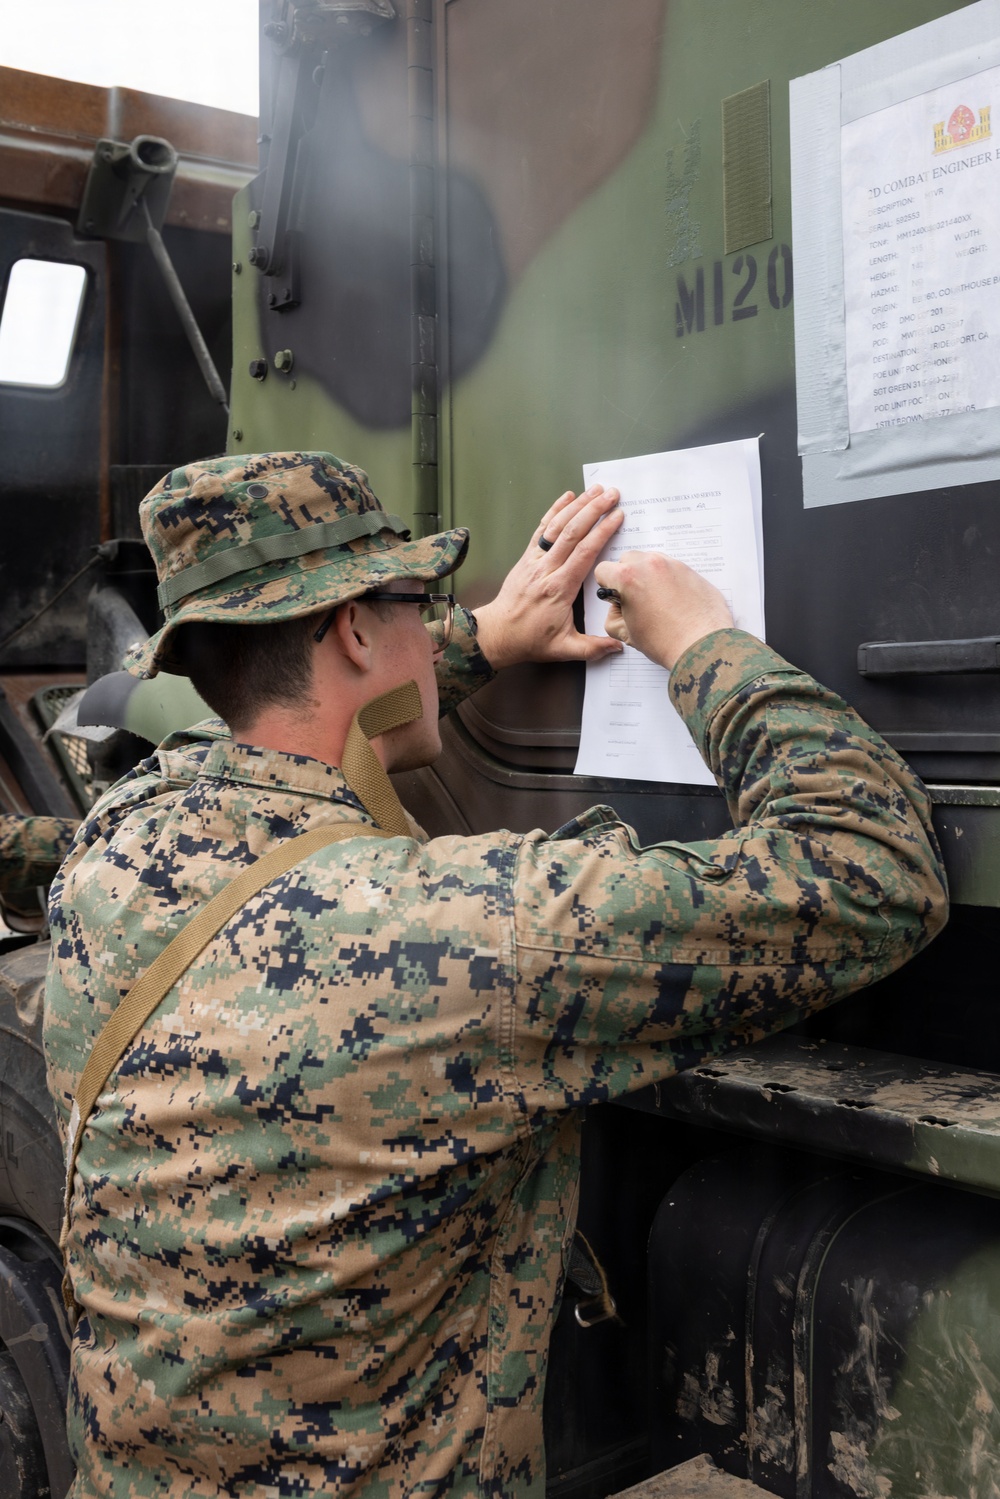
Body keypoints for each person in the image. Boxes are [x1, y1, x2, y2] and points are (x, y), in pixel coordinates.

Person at [44, 450, 947, 1499]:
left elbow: (264, 736)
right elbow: (873, 867)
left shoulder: (117, 844)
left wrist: (471, 641)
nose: (437, 630)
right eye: (422, 607)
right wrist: (705, 643)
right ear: (348, 628)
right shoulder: (468, 929)